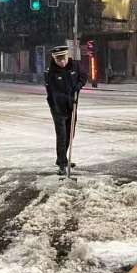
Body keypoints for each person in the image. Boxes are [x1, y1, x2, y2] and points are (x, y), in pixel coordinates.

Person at [44, 45, 87, 175]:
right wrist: (59, 104)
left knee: (70, 134)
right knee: (61, 135)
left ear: (67, 56)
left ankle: (62, 158)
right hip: (58, 107)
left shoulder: (75, 66)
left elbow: (83, 77)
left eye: (63, 59)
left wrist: (78, 86)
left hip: (72, 106)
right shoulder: (50, 72)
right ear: (54, 59)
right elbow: (52, 93)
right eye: (59, 60)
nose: (62, 62)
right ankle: (62, 164)